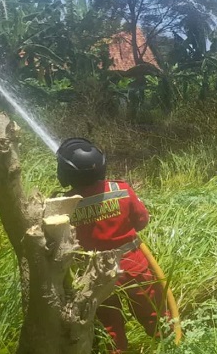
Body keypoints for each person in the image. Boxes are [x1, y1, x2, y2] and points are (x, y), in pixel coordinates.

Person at [56, 138, 167, 353]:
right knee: (154, 313)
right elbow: (142, 221)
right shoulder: (121, 189)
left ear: (66, 172)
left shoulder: (64, 205)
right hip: (133, 263)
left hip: (94, 271)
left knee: (109, 327)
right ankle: (174, 343)